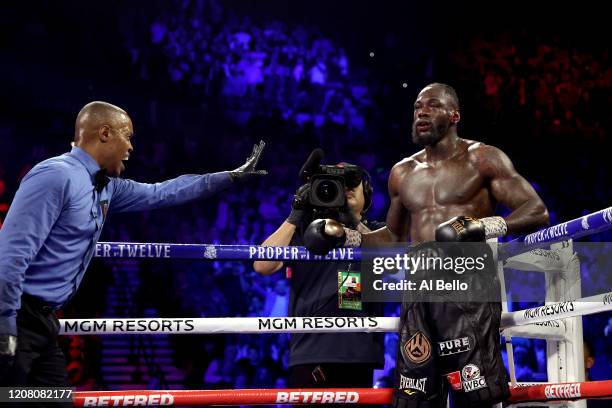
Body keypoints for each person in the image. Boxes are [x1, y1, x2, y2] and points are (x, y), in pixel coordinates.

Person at [303, 83, 549, 407]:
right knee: (416, 397)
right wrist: (344, 236)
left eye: (432, 105)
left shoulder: (484, 158)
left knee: (477, 395)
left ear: (454, 115)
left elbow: (536, 211)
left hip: (468, 284)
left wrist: (478, 226)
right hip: (418, 286)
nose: (421, 112)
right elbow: (392, 236)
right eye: (417, 107)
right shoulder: (402, 172)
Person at [0, 101, 266, 393]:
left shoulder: (106, 187)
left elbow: (163, 193)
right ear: (104, 133)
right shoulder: (55, 175)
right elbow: (11, 254)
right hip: (16, 314)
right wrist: (5, 322)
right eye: (126, 136)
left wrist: (228, 177)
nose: (130, 147)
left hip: (43, 322)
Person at [253, 161, 385, 393]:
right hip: (312, 351)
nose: (346, 189)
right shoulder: (305, 232)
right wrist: (295, 215)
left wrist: (351, 220)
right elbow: (263, 265)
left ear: (368, 195)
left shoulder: (378, 233)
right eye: (340, 184)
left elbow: (393, 260)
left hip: (359, 352)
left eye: (353, 183)